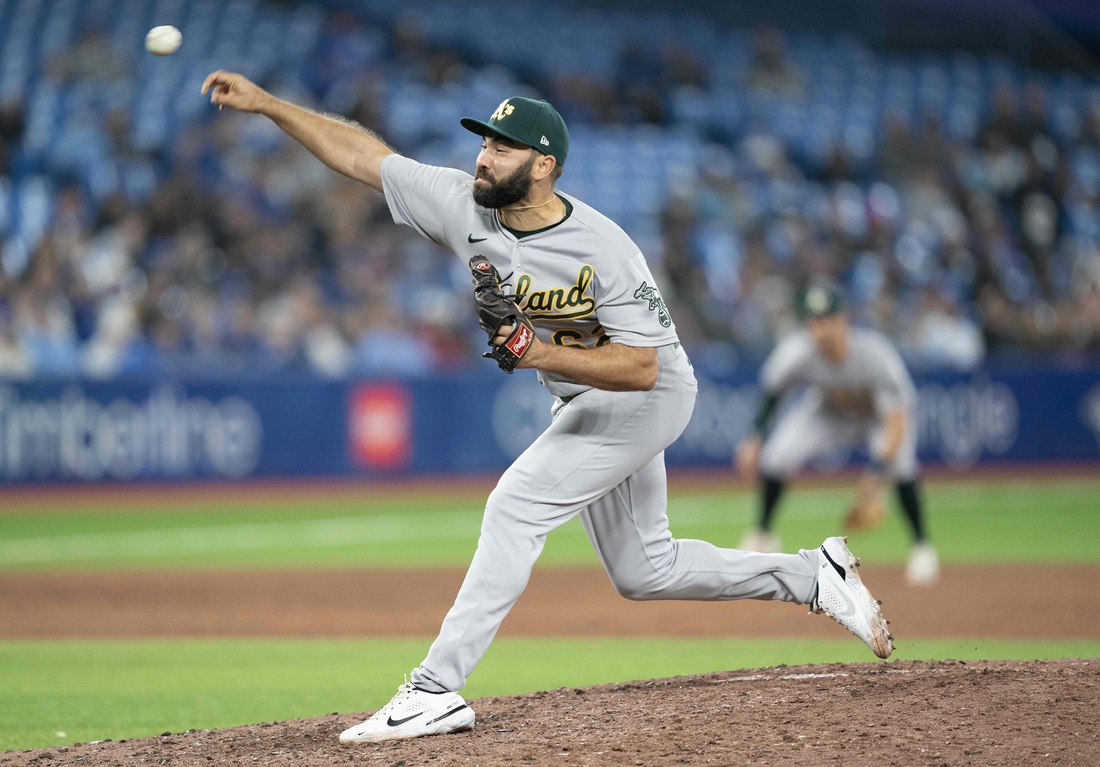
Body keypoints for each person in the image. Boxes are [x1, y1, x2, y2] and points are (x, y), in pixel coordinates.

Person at [201, 71, 894, 745]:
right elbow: (363, 156)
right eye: (483, 142)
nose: (483, 156)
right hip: (587, 400)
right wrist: (268, 105)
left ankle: (435, 689)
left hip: (649, 395)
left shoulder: (604, 247)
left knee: (515, 505)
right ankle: (812, 575)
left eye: (502, 148)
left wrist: (536, 351)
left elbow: (643, 366)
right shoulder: (462, 205)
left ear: (543, 166)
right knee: (644, 571)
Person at [735, 281, 939, 587]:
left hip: (875, 417)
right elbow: (773, 390)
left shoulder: (873, 353)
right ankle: (763, 535)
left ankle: (922, 547)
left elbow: (897, 420)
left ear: (844, 319)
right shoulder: (798, 350)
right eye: (814, 321)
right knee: (776, 457)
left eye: (827, 319)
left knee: (901, 464)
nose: (820, 329)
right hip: (828, 412)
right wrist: (755, 436)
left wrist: (876, 473)